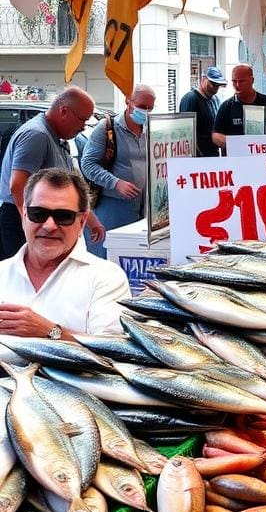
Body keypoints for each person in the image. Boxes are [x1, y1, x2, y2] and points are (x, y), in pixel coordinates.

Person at [0, 168, 128, 338]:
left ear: (82, 222)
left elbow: (113, 352)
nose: (49, 226)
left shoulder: (106, 278)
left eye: (63, 216)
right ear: (24, 215)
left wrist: (50, 332)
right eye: (38, 214)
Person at [0, 87, 105, 259]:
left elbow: (70, 187)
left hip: (42, 219)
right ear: (64, 111)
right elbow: (18, 185)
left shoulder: (55, 136)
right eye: (82, 120)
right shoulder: (37, 135)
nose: (83, 127)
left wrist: (92, 222)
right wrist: (30, 225)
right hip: (26, 221)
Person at [79, 84, 155, 258]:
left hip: (143, 208)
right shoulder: (107, 128)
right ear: (129, 102)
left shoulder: (151, 128)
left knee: (134, 256)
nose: (146, 111)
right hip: (112, 206)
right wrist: (116, 183)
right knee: (107, 254)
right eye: (143, 107)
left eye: (150, 108)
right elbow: (88, 164)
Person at [212, 64, 266, 150]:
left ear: (252, 80)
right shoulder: (226, 106)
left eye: (241, 81)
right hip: (236, 158)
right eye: (234, 81)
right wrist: (231, 143)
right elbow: (216, 135)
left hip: (262, 155)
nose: (237, 85)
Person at [179, 66, 227, 157]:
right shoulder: (191, 99)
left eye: (218, 86)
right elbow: (186, 132)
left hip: (213, 153)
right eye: (213, 84)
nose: (215, 89)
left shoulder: (215, 99)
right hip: (199, 155)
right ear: (204, 79)